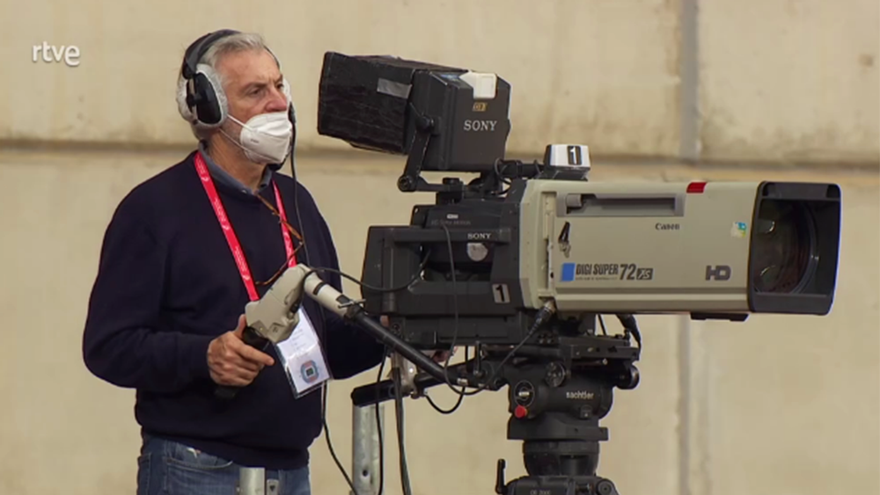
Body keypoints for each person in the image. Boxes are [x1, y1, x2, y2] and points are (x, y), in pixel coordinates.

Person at [81, 30, 419, 495]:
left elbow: (327, 347)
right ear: (208, 108)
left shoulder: (297, 202)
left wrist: (395, 332)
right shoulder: (154, 209)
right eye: (255, 91)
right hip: (195, 470)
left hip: (291, 471)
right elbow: (108, 347)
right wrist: (204, 357)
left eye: (279, 85)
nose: (278, 103)